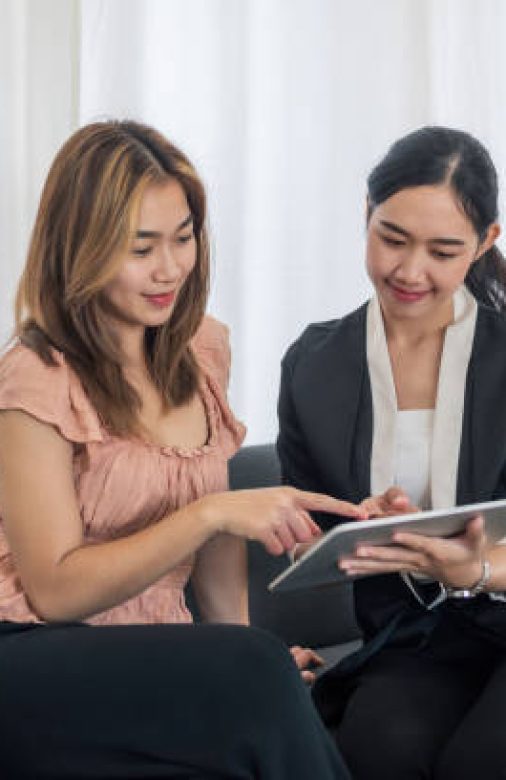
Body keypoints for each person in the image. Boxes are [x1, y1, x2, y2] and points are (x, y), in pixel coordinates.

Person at [0, 119, 359, 779]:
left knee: (263, 673)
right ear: (81, 246)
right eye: (141, 248)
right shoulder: (35, 376)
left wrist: (248, 656)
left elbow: (219, 563)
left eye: (183, 237)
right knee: (257, 673)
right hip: (28, 650)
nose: (169, 268)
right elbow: (53, 591)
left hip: (148, 653)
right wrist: (208, 515)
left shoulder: (202, 349)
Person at [277, 126, 506, 779]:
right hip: (413, 638)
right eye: (392, 238)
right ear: (366, 216)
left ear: (485, 241)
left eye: (443, 251)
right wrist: (355, 529)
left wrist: (475, 569)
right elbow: (306, 539)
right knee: (381, 750)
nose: (409, 271)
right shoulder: (314, 364)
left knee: (482, 760)